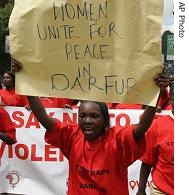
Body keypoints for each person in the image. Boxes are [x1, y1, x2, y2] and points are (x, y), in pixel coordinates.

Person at [12, 59, 172, 195]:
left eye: (94, 116)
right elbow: (43, 117)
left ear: (105, 121)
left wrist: (155, 91)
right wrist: (26, 81)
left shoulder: (118, 139)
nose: (87, 120)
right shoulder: (71, 136)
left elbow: (143, 126)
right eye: (82, 116)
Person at [136, 83, 174, 195]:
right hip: (162, 190)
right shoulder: (157, 126)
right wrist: (141, 189)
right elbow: (147, 161)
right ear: (172, 99)